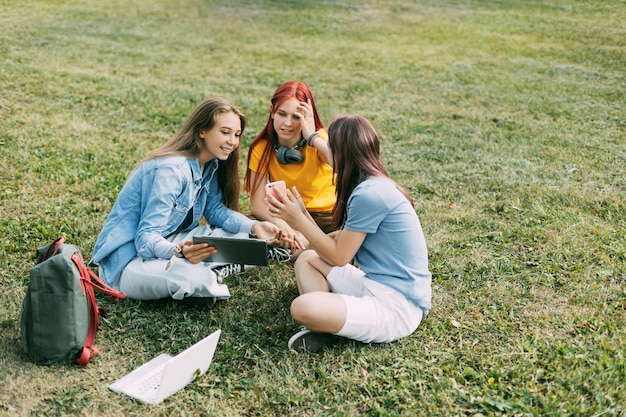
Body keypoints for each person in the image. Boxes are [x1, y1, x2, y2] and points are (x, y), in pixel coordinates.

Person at [90, 98, 285, 302]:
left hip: (170, 241)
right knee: (191, 277)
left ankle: (218, 264)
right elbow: (145, 239)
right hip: (129, 262)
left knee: (244, 235)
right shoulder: (172, 171)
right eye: (225, 132)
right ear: (202, 131)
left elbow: (215, 211)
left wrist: (255, 227)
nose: (233, 142)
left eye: (236, 135)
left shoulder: (208, 164)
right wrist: (179, 251)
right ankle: (212, 272)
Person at [266, 115, 432, 352]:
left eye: (330, 146)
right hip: (377, 286)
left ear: (341, 153)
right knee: (307, 260)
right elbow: (338, 241)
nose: (326, 154)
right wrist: (304, 215)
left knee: (301, 307)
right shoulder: (372, 182)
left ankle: (323, 320)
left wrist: (298, 220)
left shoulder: (369, 195)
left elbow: (338, 257)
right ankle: (324, 324)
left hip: (397, 307)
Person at [244, 81, 337, 253]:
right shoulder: (262, 148)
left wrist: (312, 137)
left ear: (308, 116)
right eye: (282, 114)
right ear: (272, 112)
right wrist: (282, 225)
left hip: (328, 218)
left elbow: (342, 165)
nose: (287, 123)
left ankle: (304, 244)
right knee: (247, 226)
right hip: (289, 214)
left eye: (296, 117)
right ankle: (295, 242)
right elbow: (257, 205)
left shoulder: (320, 140)